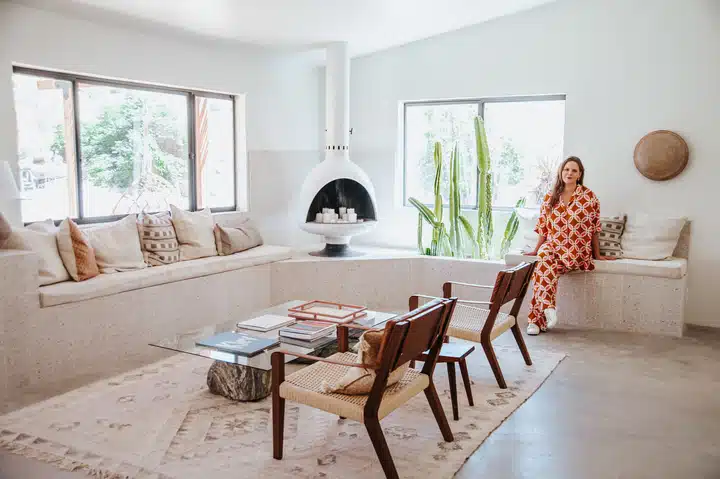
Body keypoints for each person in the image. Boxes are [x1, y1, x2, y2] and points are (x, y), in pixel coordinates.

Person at [523, 156, 615, 335]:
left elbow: (595, 229)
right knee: (543, 260)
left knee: (543, 269)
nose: (569, 173)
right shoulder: (551, 197)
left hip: (576, 250)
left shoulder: (589, 197)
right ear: (561, 172)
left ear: (580, 174)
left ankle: (536, 319)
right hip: (553, 247)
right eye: (566, 169)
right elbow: (544, 227)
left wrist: (597, 254)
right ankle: (546, 310)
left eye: (574, 170)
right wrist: (535, 249)